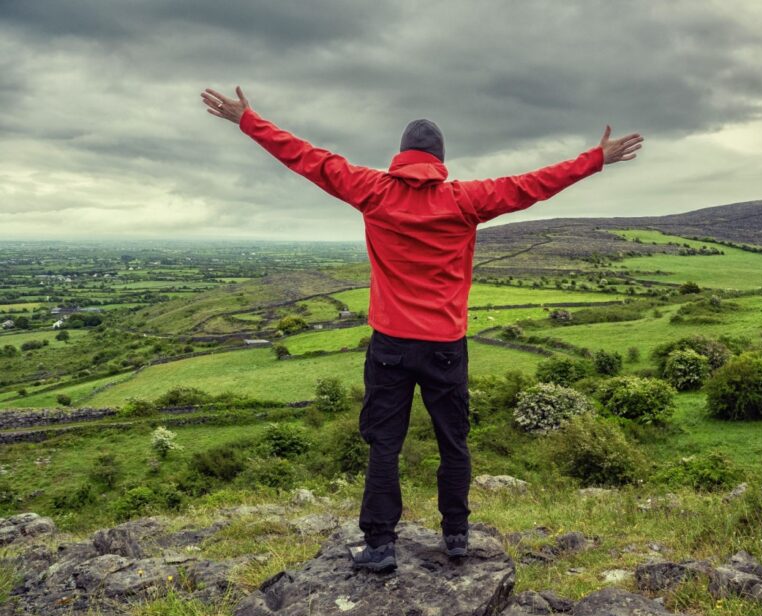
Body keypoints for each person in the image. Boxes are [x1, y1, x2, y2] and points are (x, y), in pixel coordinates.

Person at [201, 86, 643, 572]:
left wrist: (249, 120)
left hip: (390, 344)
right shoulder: (466, 199)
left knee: (384, 444)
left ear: (401, 156)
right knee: (453, 442)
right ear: (439, 161)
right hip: (446, 346)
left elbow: (309, 159)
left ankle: (380, 546)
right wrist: (595, 158)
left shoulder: (372, 189)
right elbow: (534, 183)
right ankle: (455, 537)